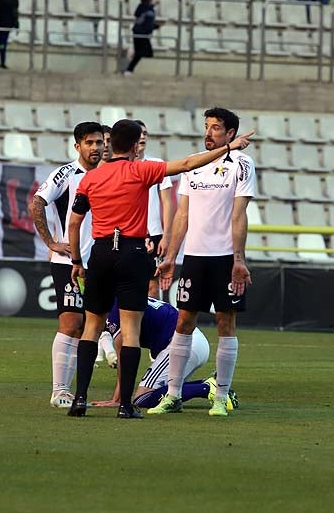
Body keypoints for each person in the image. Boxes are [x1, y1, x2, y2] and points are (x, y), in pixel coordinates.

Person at [66, 118, 253, 419]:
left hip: (100, 252)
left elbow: (74, 222)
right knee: (130, 331)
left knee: (90, 328)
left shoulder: (91, 178)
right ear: (134, 145)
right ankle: (126, 405)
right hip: (132, 251)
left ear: (111, 143)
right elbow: (189, 163)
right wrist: (229, 147)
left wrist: (76, 260)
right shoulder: (141, 170)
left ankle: (79, 399)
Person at [153, 107, 255, 417]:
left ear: (230, 134)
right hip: (194, 258)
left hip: (225, 257)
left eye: (215, 128)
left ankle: (221, 396)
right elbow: (182, 214)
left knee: (225, 323)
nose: (208, 132)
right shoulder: (194, 166)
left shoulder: (242, 164)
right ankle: (172, 395)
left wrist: (239, 259)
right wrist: (171, 255)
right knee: (184, 322)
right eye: (207, 126)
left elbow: (239, 215)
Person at [29, 122, 106, 408]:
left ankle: (82, 389)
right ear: (78, 146)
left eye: (99, 142)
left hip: (100, 261)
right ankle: (59, 390)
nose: (96, 148)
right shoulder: (66, 173)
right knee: (71, 322)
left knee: (95, 323)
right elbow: (37, 203)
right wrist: (51, 242)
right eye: (89, 143)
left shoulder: (108, 174)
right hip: (69, 261)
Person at [93, 297, 238, 411]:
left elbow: (124, 358)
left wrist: (118, 400)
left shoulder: (116, 308)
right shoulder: (124, 298)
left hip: (181, 344)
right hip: (192, 342)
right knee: (166, 390)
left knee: (143, 398)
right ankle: (212, 384)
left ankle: (206, 388)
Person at [135, 120, 173, 300]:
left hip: (155, 234)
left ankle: (150, 327)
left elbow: (167, 201)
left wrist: (166, 236)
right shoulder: (120, 165)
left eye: (145, 133)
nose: (142, 136)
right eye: (139, 133)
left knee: (152, 287)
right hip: (129, 234)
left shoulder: (157, 164)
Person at [124, 0, 160, 76]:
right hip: (139, 32)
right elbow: (140, 17)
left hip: (144, 33)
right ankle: (129, 69)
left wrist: (155, 26)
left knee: (148, 53)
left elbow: (148, 23)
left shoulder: (150, 10)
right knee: (141, 53)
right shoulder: (141, 7)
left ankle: (132, 52)